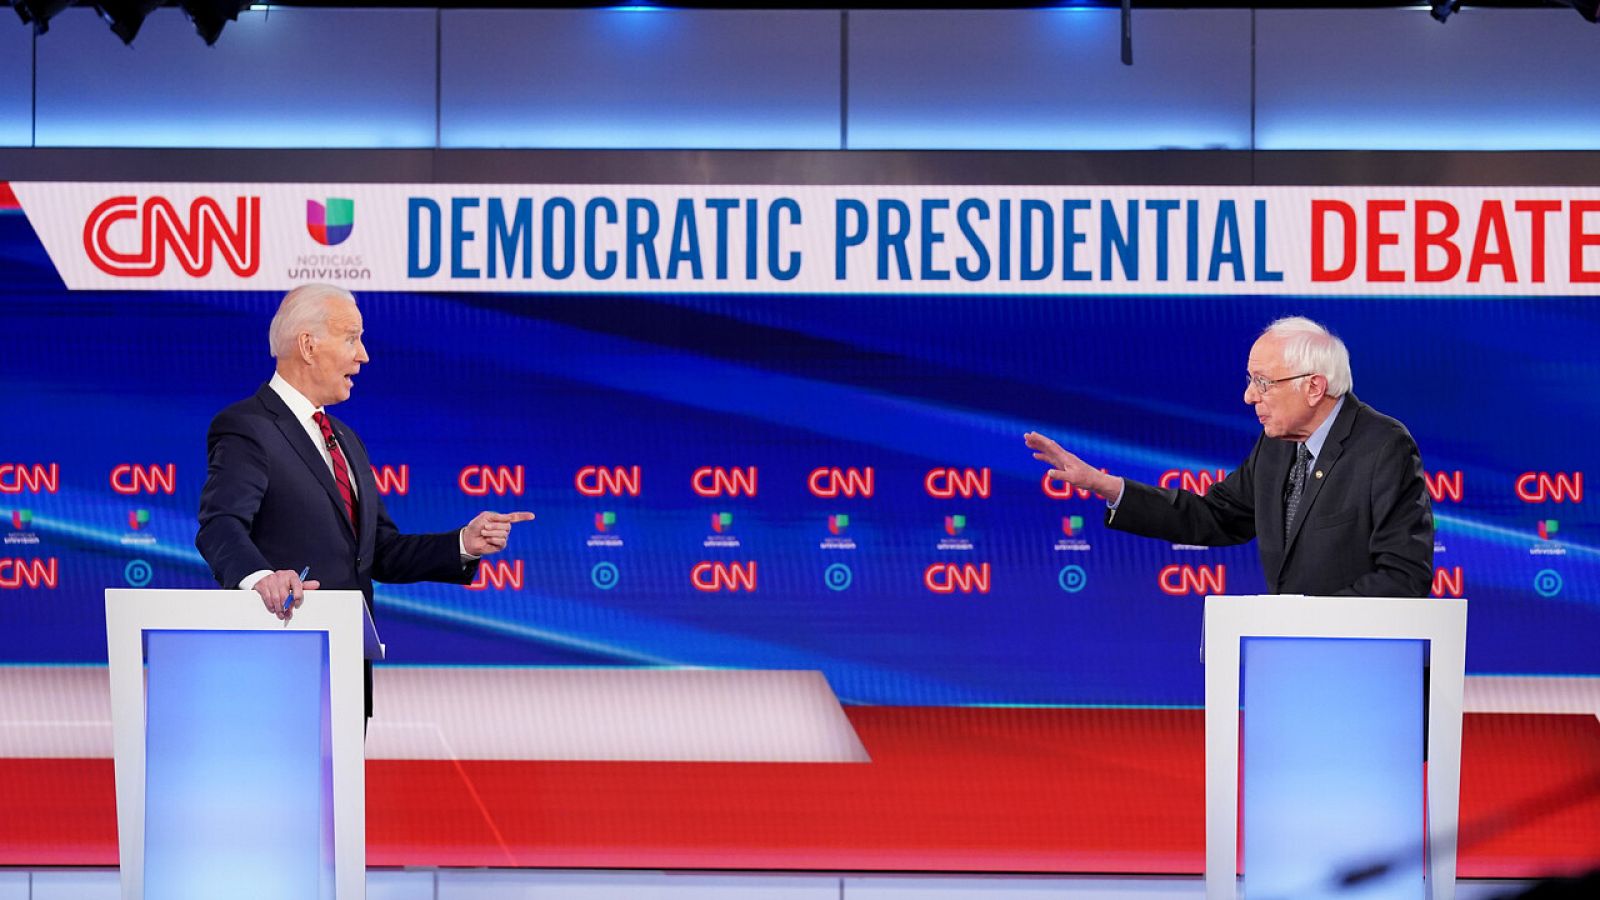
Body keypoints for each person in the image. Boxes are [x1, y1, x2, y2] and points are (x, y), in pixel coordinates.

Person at [196, 284, 532, 710]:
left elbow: (381, 553)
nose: (364, 355)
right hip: (280, 663)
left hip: (349, 670)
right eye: (352, 338)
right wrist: (262, 579)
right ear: (308, 345)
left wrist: (463, 543)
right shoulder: (248, 427)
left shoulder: (346, 439)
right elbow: (220, 525)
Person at [1024, 316, 1433, 597]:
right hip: (1289, 662)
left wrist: (1308, 622)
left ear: (1313, 387)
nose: (1249, 395)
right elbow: (1213, 516)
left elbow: (1403, 577)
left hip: (1365, 670)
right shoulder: (1275, 445)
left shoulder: (1382, 447)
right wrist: (1107, 486)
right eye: (1250, 380)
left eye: (1263, 382)